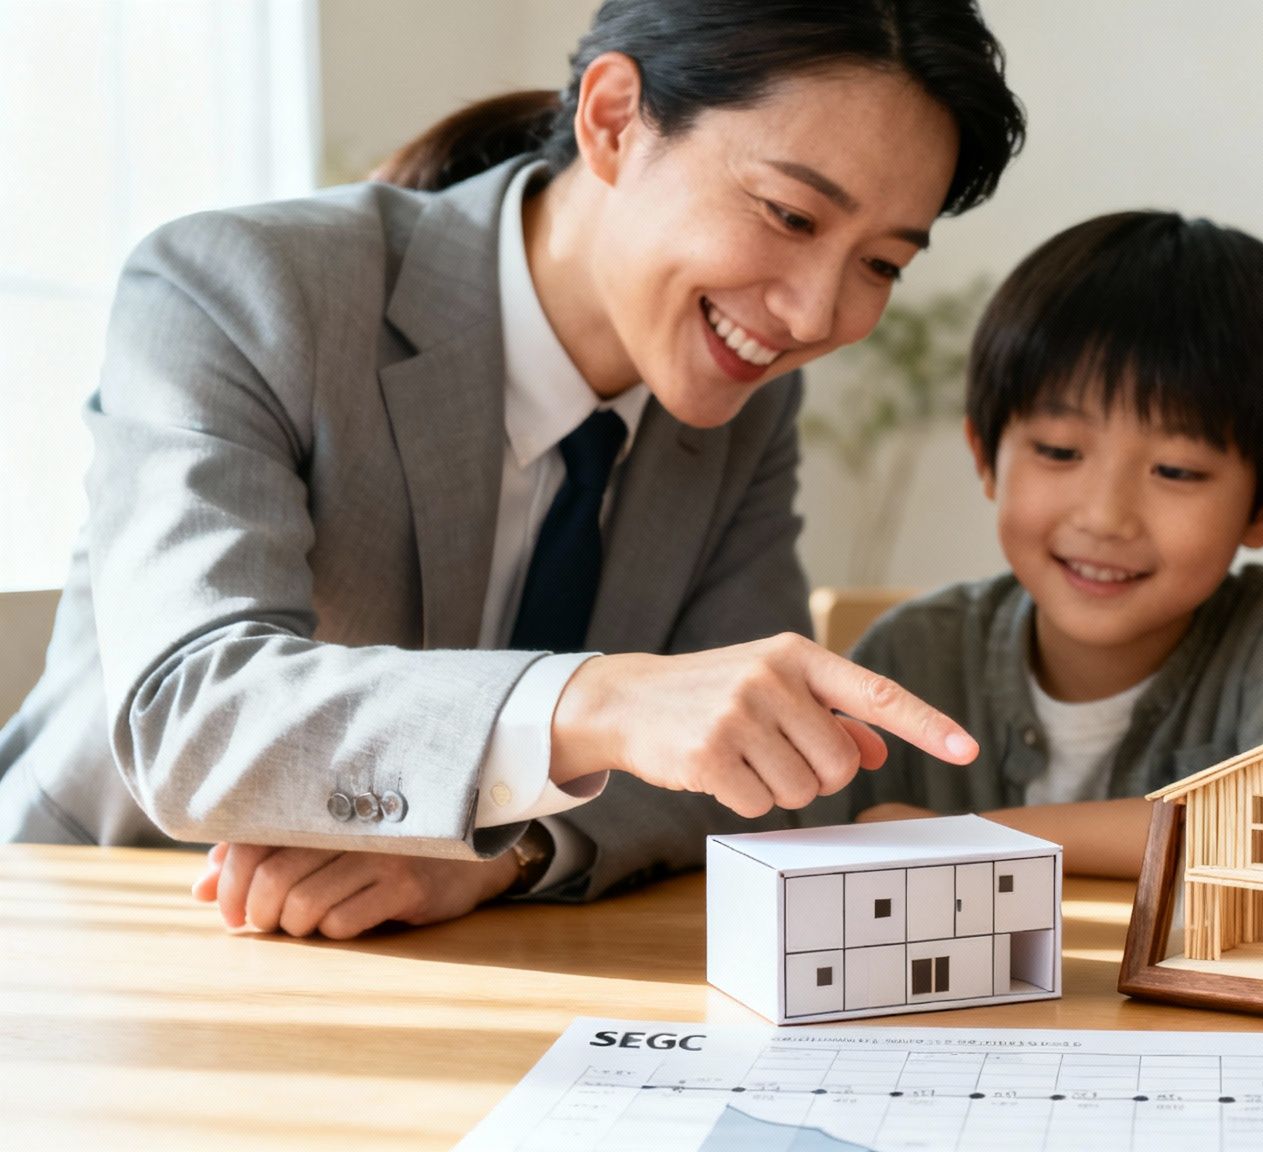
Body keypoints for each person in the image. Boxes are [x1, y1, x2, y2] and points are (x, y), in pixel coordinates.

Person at [0, 0, 1028, 939]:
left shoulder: (742, 403)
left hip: (449, 968)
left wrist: (505, 845)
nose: (814, 315)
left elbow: (756, 773)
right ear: (614, 119)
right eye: (790, 215)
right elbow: (193, 710)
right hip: (98, 926)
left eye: (881, 264)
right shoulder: (243, 287)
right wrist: (600, 705)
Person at [824, 211, 1263, 877]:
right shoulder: (914, 655)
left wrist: (962, 840)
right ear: (987, 457)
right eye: (1060, 451)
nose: (1107, 518)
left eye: (1176, 471)